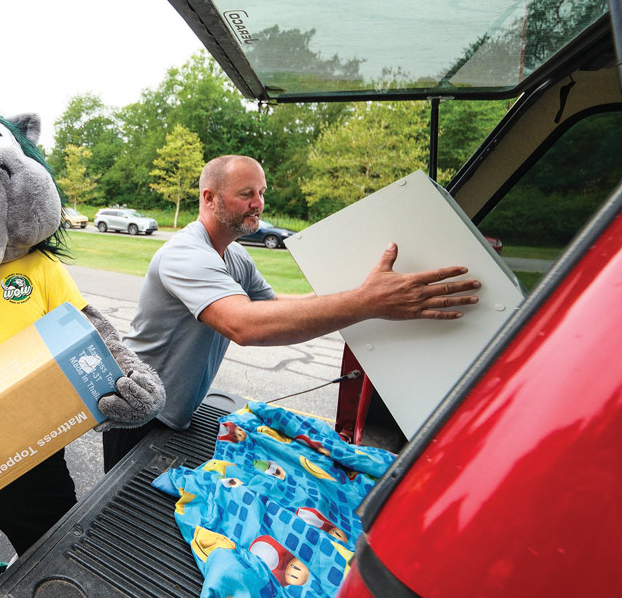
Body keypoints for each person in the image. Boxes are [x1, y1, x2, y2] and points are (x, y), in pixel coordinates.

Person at [103, 155, 481, 471]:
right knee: (113, 521)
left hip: (178, 410)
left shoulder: (234, 254)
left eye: (262, 193)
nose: (259, 203)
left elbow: (271, 307)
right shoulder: (184, 254)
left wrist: (359, 292)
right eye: (247, 194)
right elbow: (245, 325)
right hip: (140, 407)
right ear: (209, 197)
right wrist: (366, 302)